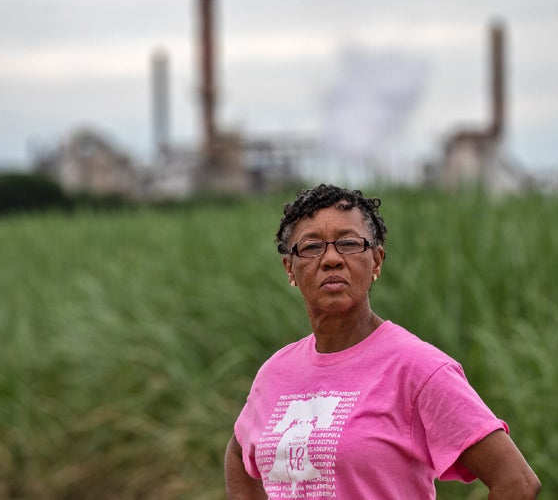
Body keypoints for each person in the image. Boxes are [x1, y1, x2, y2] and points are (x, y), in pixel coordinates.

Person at [225, 184, 540, 499]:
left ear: (376, 261)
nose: (331, 259)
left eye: (349, 244)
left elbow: (516, 481)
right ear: (289, 268)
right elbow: (239, 454)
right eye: (311, 247)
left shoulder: (418, 368)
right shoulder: (276, 372)